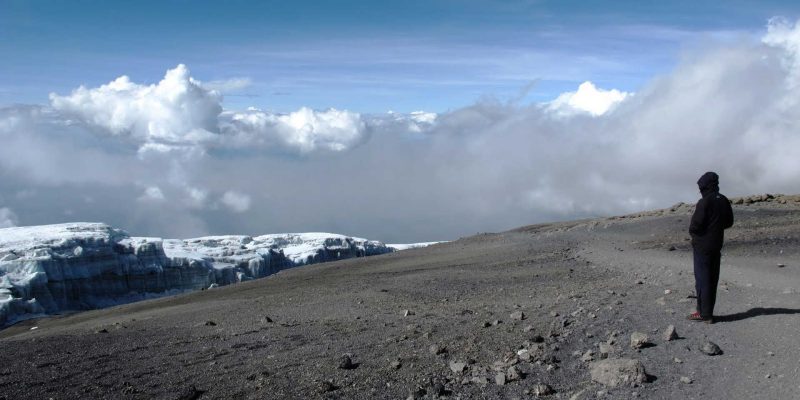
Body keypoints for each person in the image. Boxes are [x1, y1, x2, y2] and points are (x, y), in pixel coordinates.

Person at [687, 171, 734, 324]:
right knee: (712, 278)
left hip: (702, 246)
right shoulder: (723, 200)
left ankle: (704, 313)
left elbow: (695, 225)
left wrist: (696, 235)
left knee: (702, 279)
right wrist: (715, 228)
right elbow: (729, 222)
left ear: (704, 186)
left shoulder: (704, 202)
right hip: (716, 244)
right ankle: (708, 312)